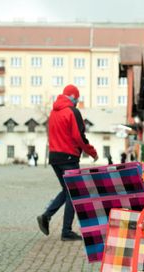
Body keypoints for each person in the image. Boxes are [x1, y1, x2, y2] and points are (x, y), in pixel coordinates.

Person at [37, 84, 98, 241]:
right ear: (73, 97)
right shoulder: (73, 111)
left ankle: (46, 215)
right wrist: (92, 152)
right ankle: (66, 231)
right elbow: (79, 136)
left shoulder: (53, 112)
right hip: (69, 158)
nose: (77, 101)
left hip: (54, 157)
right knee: (73, 192)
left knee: (66, 190)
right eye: (77, 98)